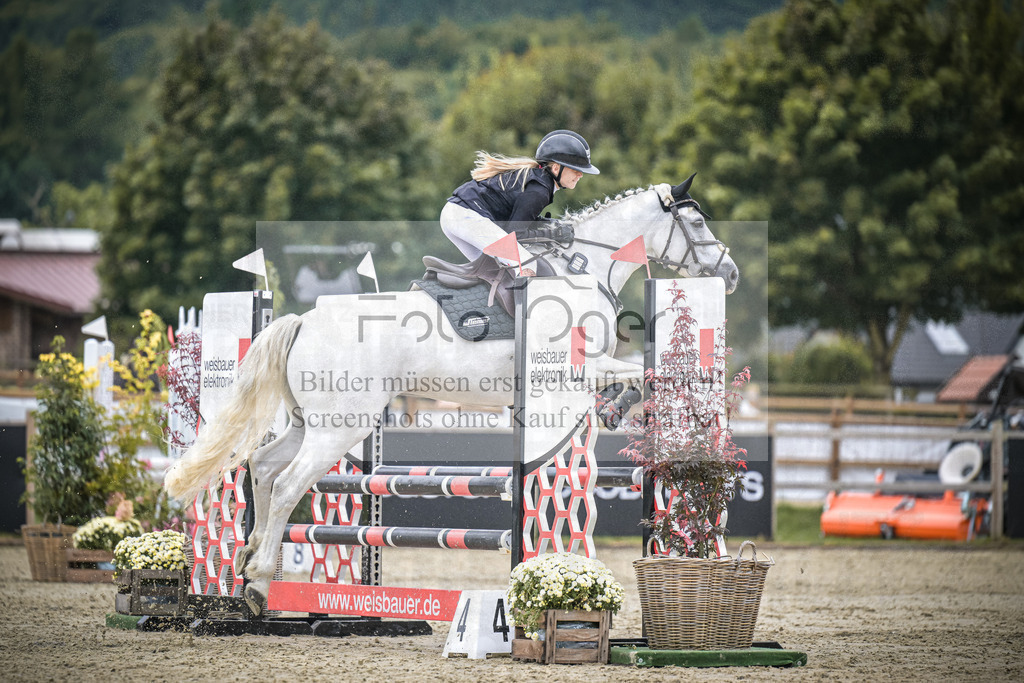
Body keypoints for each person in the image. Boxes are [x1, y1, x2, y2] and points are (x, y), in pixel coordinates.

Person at [441, 129, 599, 276]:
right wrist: (552, 234)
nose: (580, 175)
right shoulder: (539, 191)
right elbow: (516, 235)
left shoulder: (538, 182)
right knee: (528, 264)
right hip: (467, 217)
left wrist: (545, 224)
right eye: (575, 169)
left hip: (458, 214)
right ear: (556, 168)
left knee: (494, 271)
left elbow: (518, 221)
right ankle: (524, 308)